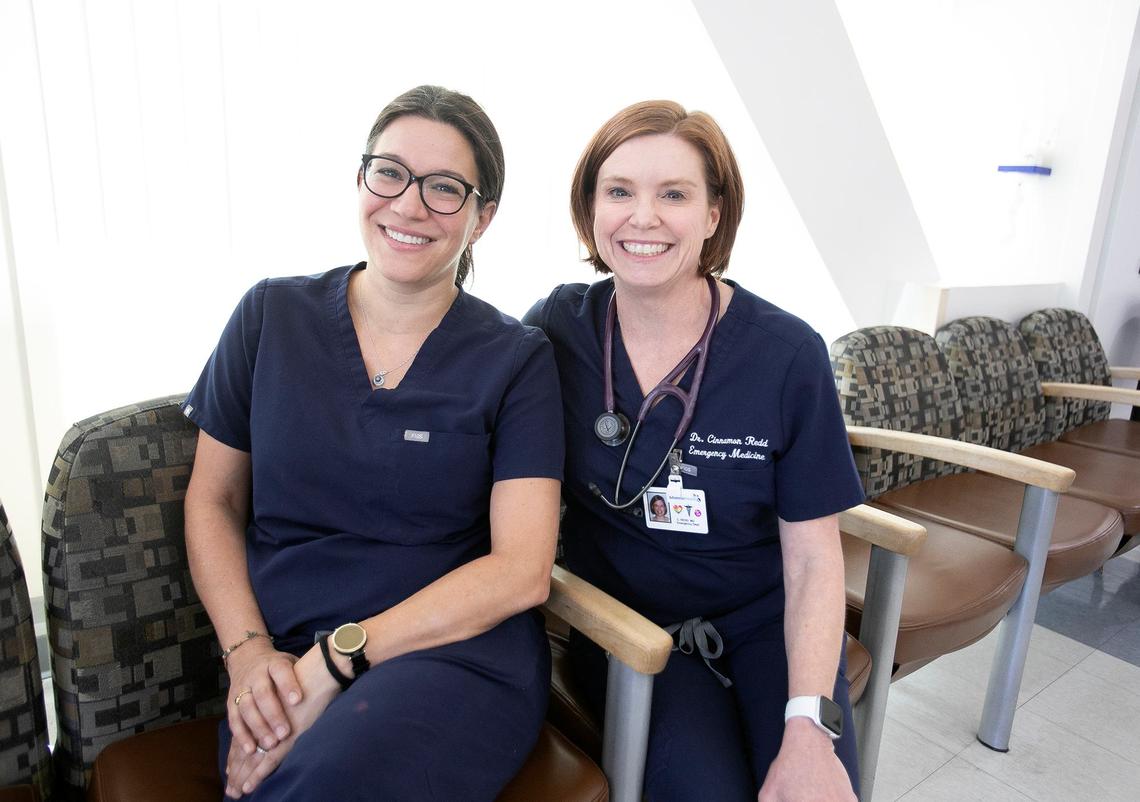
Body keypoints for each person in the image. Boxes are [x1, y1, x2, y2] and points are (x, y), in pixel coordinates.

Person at [183, 85, 563, 800]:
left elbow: (521, 571)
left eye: (444, 187)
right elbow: (213, 500)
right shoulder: (269, 316)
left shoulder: (517, 359)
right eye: (389, 173)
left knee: (331, 784)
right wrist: (248, 654)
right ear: (361, 180)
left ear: (482, 217)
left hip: (453, 650)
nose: (409, 205)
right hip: (285, 654)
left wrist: (338, 661)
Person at [524, 101, 864, 801]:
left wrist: (808, 725)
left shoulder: (786, 354)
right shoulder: (559, 328)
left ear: (714, 214)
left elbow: (812, 557)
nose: (643, 217)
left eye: (674, 194)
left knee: (813, 782)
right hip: (626, 631)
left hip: (766, 623)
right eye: (619, 191)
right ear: (591, 209)